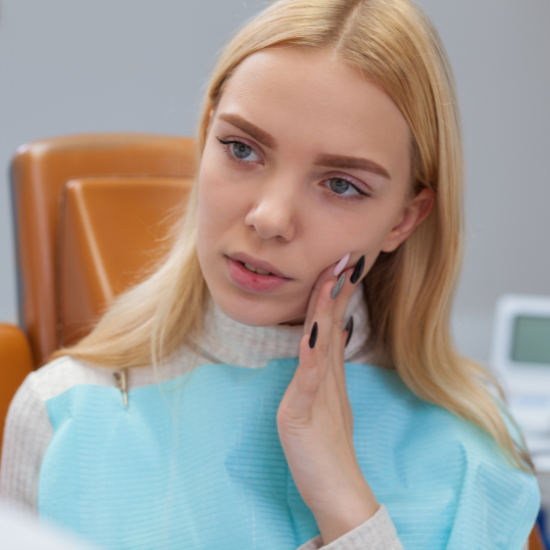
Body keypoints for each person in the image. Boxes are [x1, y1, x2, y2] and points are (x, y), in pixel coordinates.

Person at [0, 0, 540, 548]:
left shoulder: (474, 449)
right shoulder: (60, 412)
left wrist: (347, 508)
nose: (270, 218)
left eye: (341, 184)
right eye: (241, 149)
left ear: (402, 220)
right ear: (205, 137)